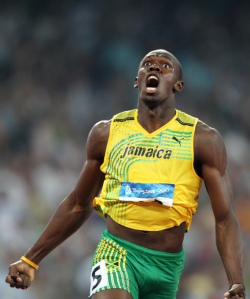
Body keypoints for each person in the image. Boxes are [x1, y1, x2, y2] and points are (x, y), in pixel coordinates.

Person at [5, 49, 245, 299]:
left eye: (165, 66)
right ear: (136, 80)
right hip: (116, 252)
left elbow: (225, 219)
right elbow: (78, 203)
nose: (154, 68)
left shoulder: (202, 139)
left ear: (178, 85)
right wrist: (30, 260)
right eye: (147, 64)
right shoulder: (106, 134)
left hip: (166, 266)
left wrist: (235, 282)